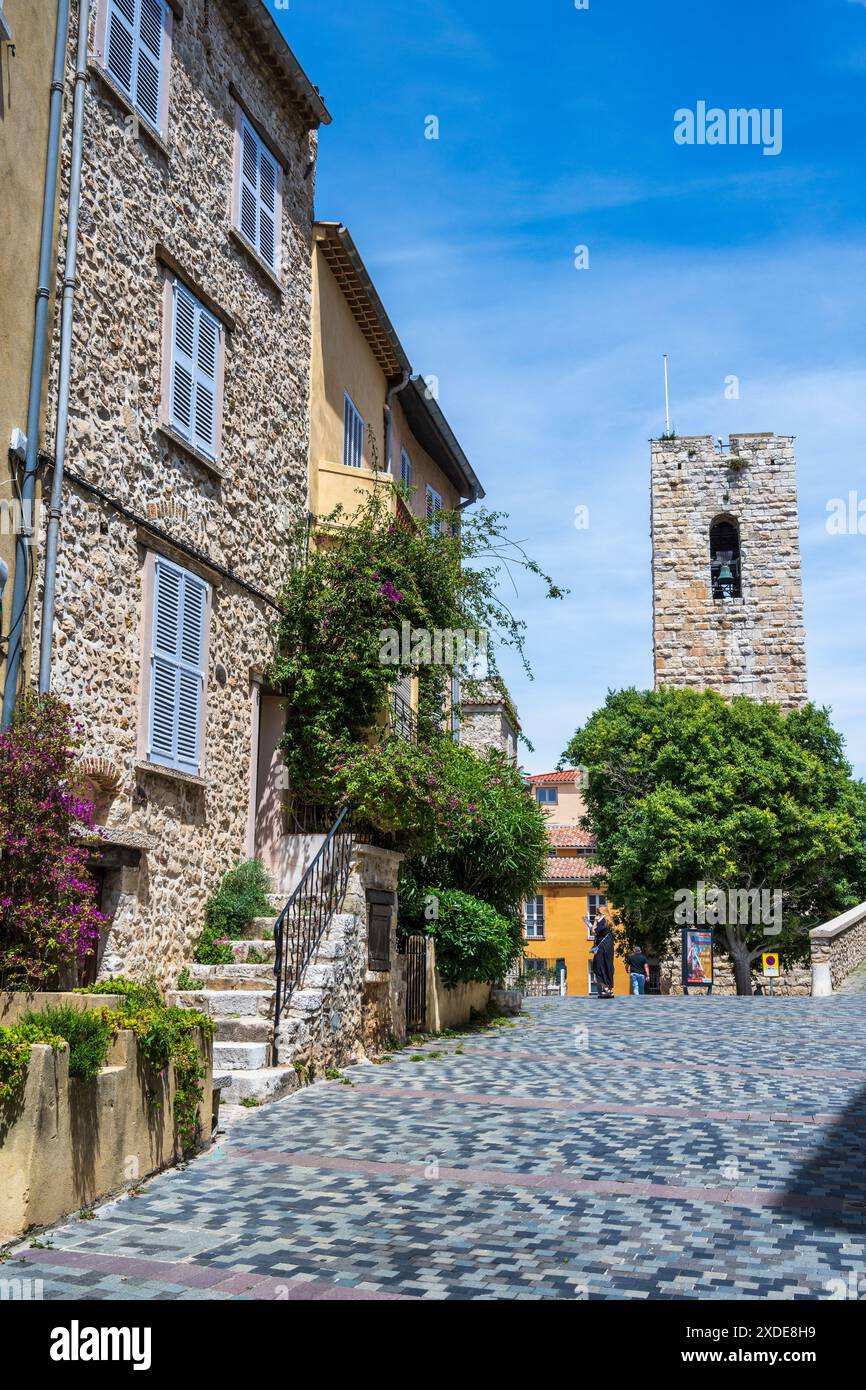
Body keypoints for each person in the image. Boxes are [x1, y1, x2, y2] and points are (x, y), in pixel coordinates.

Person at [592, 915, 615, 998]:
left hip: (602, 948)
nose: (596, 915)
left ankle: (606, 989)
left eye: (597, 913)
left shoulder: (602, 922)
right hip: (608, 947)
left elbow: (593, 931)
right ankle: (610, 989)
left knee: (597, 966)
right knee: (607, 966)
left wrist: (595, 922)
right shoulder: (608, 922)